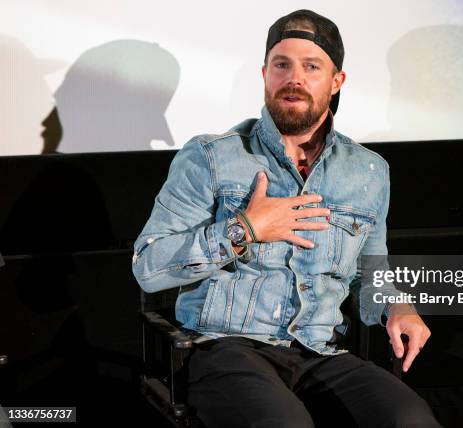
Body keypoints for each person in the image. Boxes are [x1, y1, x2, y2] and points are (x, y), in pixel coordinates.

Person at [133, 9, 440, 427]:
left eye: (311, 66)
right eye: (282, 64)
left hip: (320, 352)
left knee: (411, 421)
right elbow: (148, 266)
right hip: (227, 350)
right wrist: (246, 229)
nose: (293, 78)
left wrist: (398, 305)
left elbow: (371, 271)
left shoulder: (367, 171)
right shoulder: (212, 156)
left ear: (336, 82)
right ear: (265, 74)